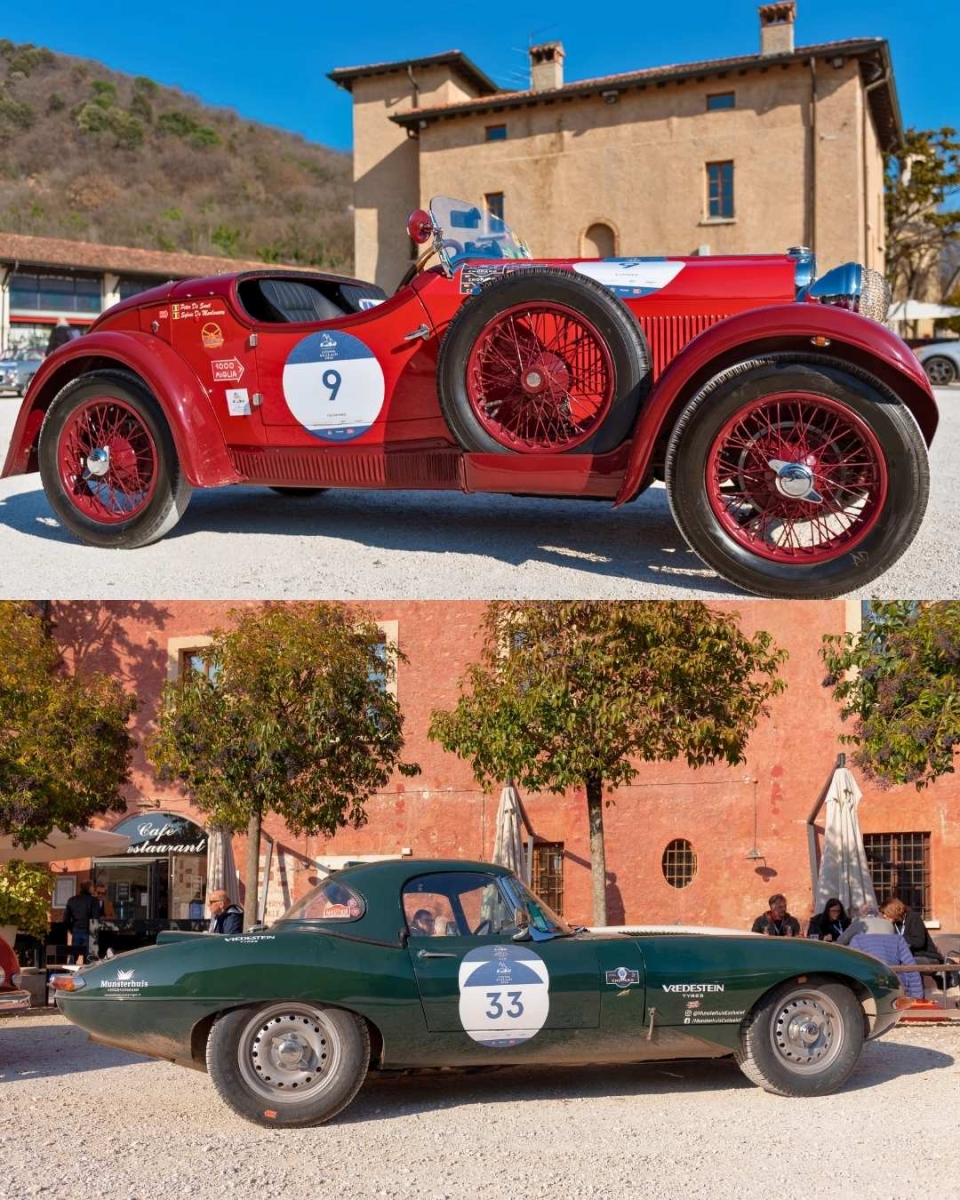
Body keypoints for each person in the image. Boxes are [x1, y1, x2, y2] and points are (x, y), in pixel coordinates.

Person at [844, 903, 923, 998]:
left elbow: (853, 965)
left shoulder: (857, 937)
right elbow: (910, 966)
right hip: (894, 983)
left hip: (868, 986)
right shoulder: (895, 936)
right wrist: (916, 996)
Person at [880, 898, 942, 964]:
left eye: (885, 913)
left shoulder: (913, 917)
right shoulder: (894, 924)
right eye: (883, 913)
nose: (884, 916)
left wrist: (899, 938)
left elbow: (919, 942)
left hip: (928, 957)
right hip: (908, 957)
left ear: (893, 910)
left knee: (904, 963)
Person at [64, 881, 99, 962]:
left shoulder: (72, 900)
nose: (94, 888)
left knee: (73, 957)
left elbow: (66, 919)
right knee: (89, 959)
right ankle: (87, 974)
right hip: (89, 931)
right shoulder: (93, 900)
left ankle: (71, 973)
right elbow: (95, 918)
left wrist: (71, 929)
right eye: (93, 887)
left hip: (76, 930)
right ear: (89, 888)